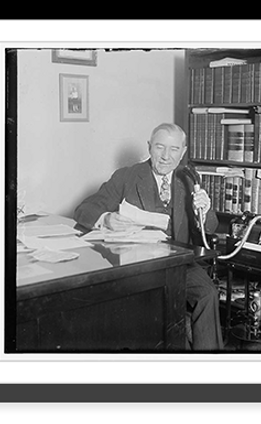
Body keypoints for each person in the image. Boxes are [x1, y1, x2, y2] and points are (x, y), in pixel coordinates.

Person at [74, 123, 224, 351]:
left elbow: (210, 228)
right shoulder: (127, 176)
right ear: (149, 148)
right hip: (138, 265)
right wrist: (105, 219)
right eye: (159, 147)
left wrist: (203, 212)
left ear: (182, 152)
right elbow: (85, 209)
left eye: (174, 149)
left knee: (208, 293)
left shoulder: (190, 180)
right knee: (151, 307)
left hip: (180, 263)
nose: (165, 156)